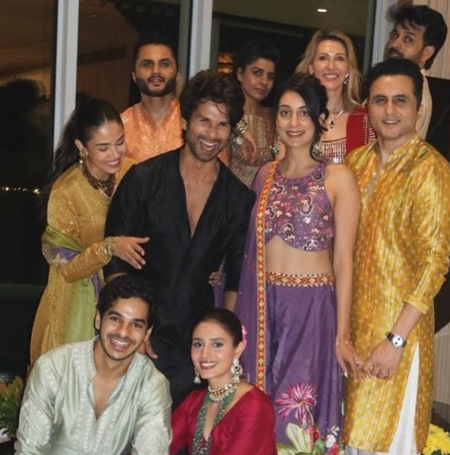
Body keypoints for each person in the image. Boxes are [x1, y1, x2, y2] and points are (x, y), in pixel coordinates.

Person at [104, 70, 256, 408]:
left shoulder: (238, 198)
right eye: (204, 121)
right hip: (139, 338)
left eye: (222, 125)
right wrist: (132, 328)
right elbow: (115, 262)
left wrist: (219, 344)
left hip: (195, 346)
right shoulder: (143, 179)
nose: (212, 134)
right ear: (185, 120)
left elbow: (234, 276)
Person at [235, 73, 362, 450]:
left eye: (304, 113)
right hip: (263, 307)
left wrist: (342, 336)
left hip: (311, 310)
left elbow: (344, 261)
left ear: (321, 119)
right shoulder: (264, 175)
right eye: (285, 112)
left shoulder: (338, 178)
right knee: (258, 406)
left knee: (297, 411)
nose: (293, 122)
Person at [343, 58, 450, 455]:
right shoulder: (355, 164)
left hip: (398, 335)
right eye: (380, 100)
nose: (389, 110)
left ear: (418, 108)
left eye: (400, 100)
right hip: (352, 334)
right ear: (367, 107)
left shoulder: (431, 169)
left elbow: (435, 261)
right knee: (349, 438)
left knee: (389, 443)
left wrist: (396, 340)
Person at [30, 99, 149, 364]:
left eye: (120, 142)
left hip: (126, 298)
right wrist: (109, 247)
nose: (115, 154)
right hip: (76, 302)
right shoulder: (66, 191)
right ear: (82, 147)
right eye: (103, 148)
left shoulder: (133, 173)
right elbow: (68, 270)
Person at [16, 275, 172, 455]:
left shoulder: (151, 385)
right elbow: (29, 449)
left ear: (147, 333)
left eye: (136, 325)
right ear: (98, 318)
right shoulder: (53, 368)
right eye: (115, 319)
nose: (123, 332)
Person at [170, 308, 276, 455]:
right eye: (198, 344)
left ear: (238, 349)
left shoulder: (254, 405)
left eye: (217, 345)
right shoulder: (194, 402)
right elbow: (159, 443)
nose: (205, 354)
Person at [296, 29, 375, 163]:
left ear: (348, 69)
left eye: (339, 58)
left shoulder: (366, 121)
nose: (331, 66)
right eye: (323, 58)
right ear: (311, 68)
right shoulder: (295, 117)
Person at [386, 4, 448, 140]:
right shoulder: (388, 84)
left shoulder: (416, 98)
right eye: (395, 35)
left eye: (408, 39)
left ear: (427, 52)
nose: (395, 44)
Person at [121, 31, 183, 162]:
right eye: (147, 64)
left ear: (177, 74)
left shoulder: (192, 122)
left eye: (164, 64)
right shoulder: (120, 127)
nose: (156, 71)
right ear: (134, 75)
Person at [228, 38, 280, 187]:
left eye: (270, 76)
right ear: (240, 74)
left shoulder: (274, 118)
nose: (264, 82)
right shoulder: (226, 114)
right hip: (229, 197)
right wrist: (240, 127)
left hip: (265, 198)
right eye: (257, 73)